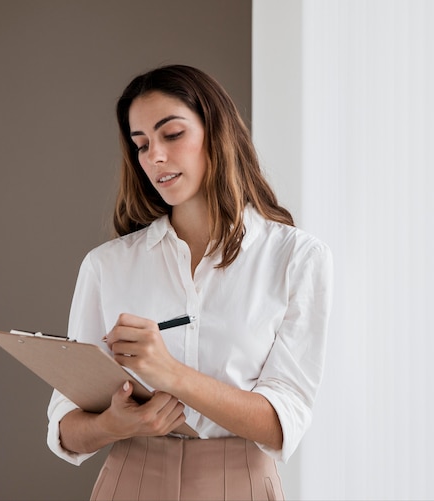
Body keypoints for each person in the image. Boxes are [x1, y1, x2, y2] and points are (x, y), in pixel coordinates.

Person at [46, 64, 333, 501]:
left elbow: (282, 424)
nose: (154, 156)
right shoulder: (107, 265)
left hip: (242, 481)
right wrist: (114, 424)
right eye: (140, 145)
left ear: (216, 133)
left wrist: (171, 374)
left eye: (172, 134)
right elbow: (65, 427)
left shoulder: (296, 258)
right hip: (131, 475)